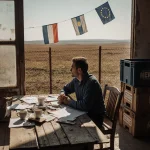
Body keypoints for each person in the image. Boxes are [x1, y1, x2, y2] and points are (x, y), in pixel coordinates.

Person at [58, 57, 105, 128]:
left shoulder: (92, 83)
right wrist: (62, 94)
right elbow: (65, 88)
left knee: (68, 127)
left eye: (72, 67)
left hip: (94, 118)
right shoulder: (76, 80)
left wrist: (68, 102)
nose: (70, 69)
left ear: (79, 70)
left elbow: (85, 106)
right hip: (83, 114)